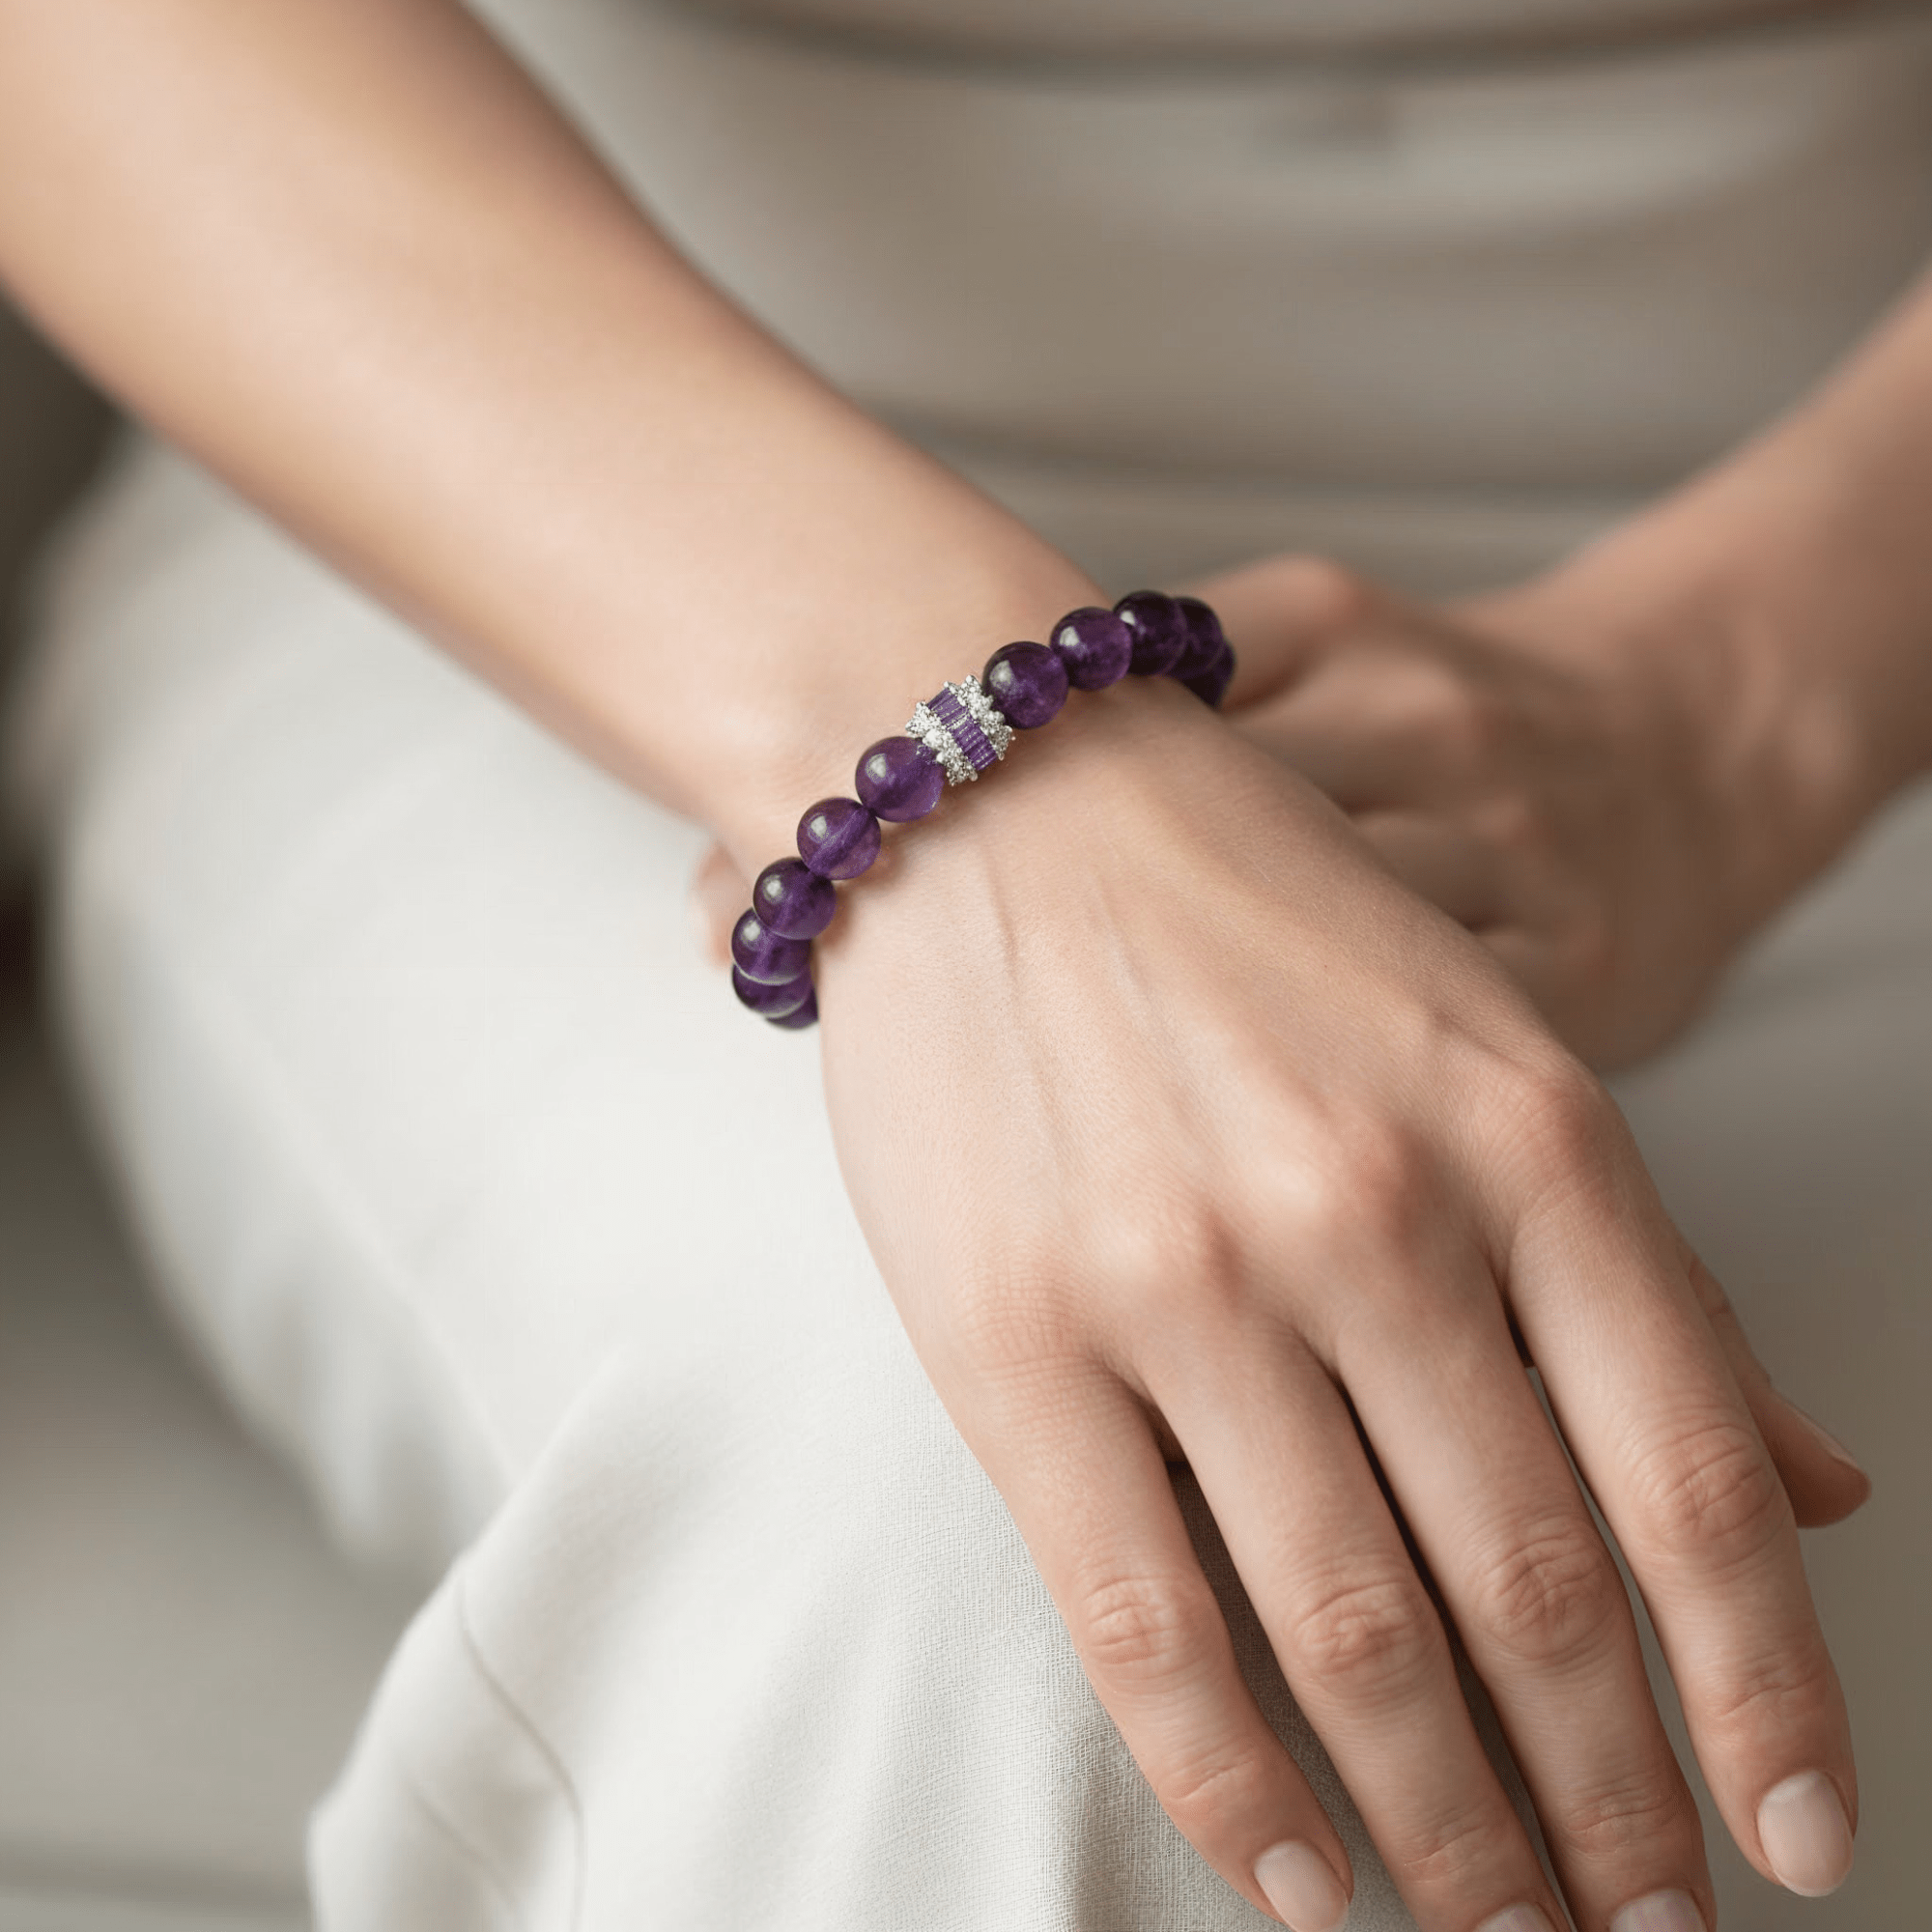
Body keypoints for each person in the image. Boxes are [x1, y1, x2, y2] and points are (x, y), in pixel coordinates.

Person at [1, 1, 1927, 1927]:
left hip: (1829, 570)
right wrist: (974, 745)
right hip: (505, 467)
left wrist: (1747, 697)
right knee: (1038, 1542)